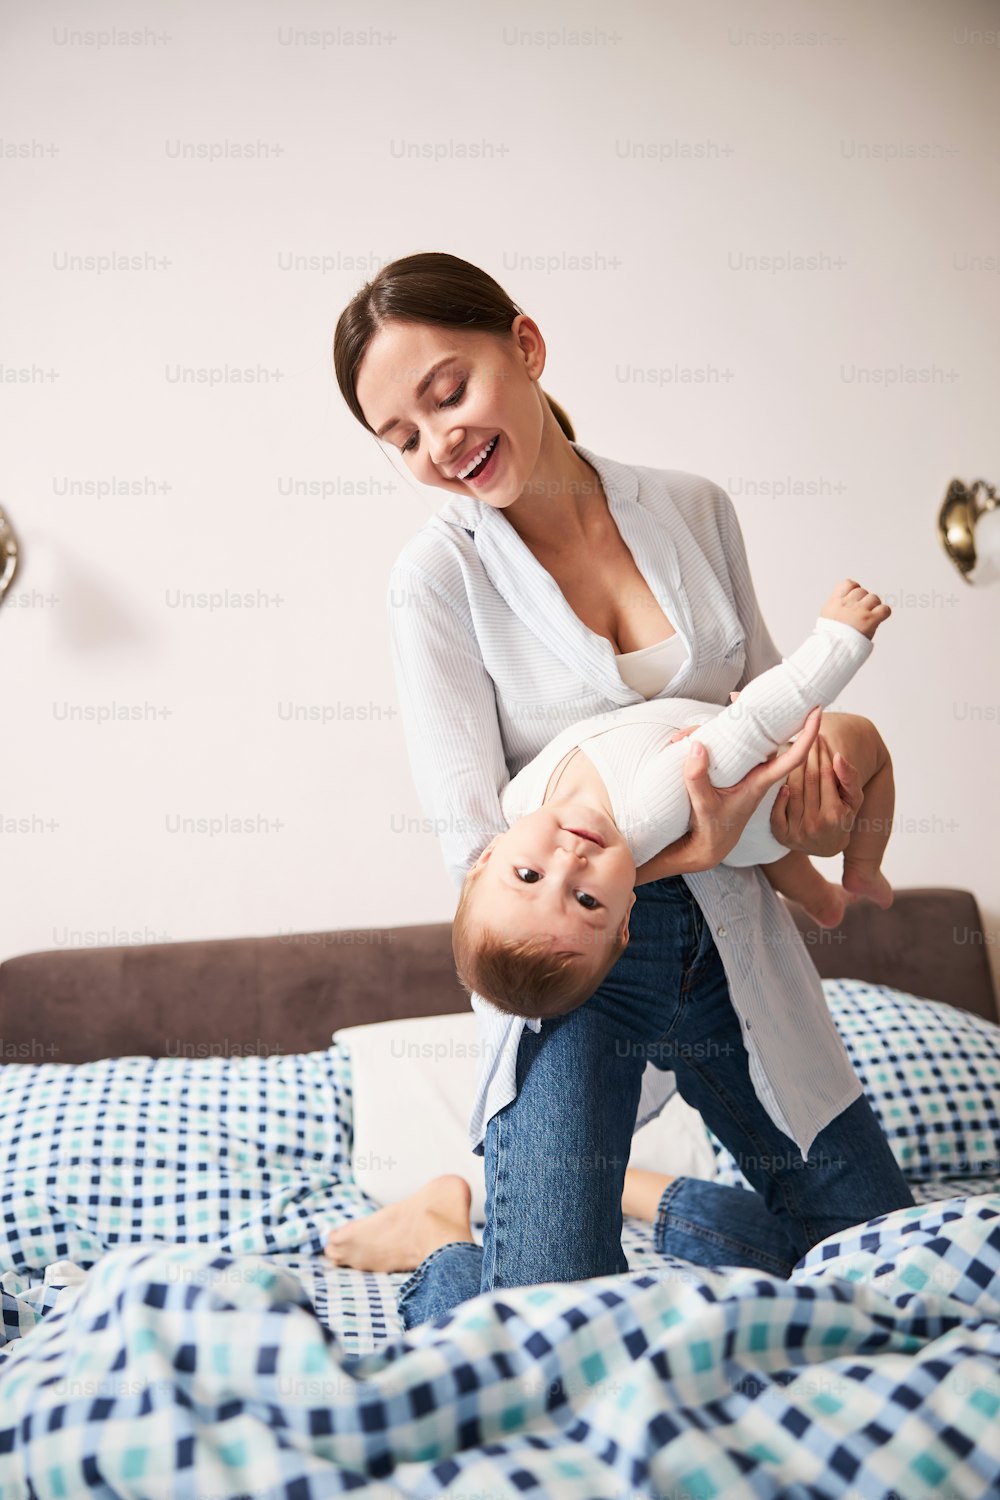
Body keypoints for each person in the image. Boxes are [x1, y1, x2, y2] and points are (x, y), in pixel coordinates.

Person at [327, 251, 914, 1328]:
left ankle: (649, 1198)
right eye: (400, 437)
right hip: (576, 965)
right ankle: (443, 1237)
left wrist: (818, 807)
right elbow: (474, 853)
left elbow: (776, 709)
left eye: (447, 391)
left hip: (733, 935)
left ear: (527, 347)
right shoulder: (437, 578)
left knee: (884, 1265)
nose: (435, 441)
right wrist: (675, 849)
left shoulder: (693, 508)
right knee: (542, 1326)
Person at [452, 578, 894, 1019]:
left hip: (743, 840)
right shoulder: (650, 803)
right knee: (867, 742)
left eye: (528, 875)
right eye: (587, 901)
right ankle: (863, 868)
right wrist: (839, 639)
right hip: (779, 796)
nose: (570, 861)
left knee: (764, 849)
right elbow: (758, 720)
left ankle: (822, 900)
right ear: (626, 915)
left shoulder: (517, 803)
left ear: (488, 855)